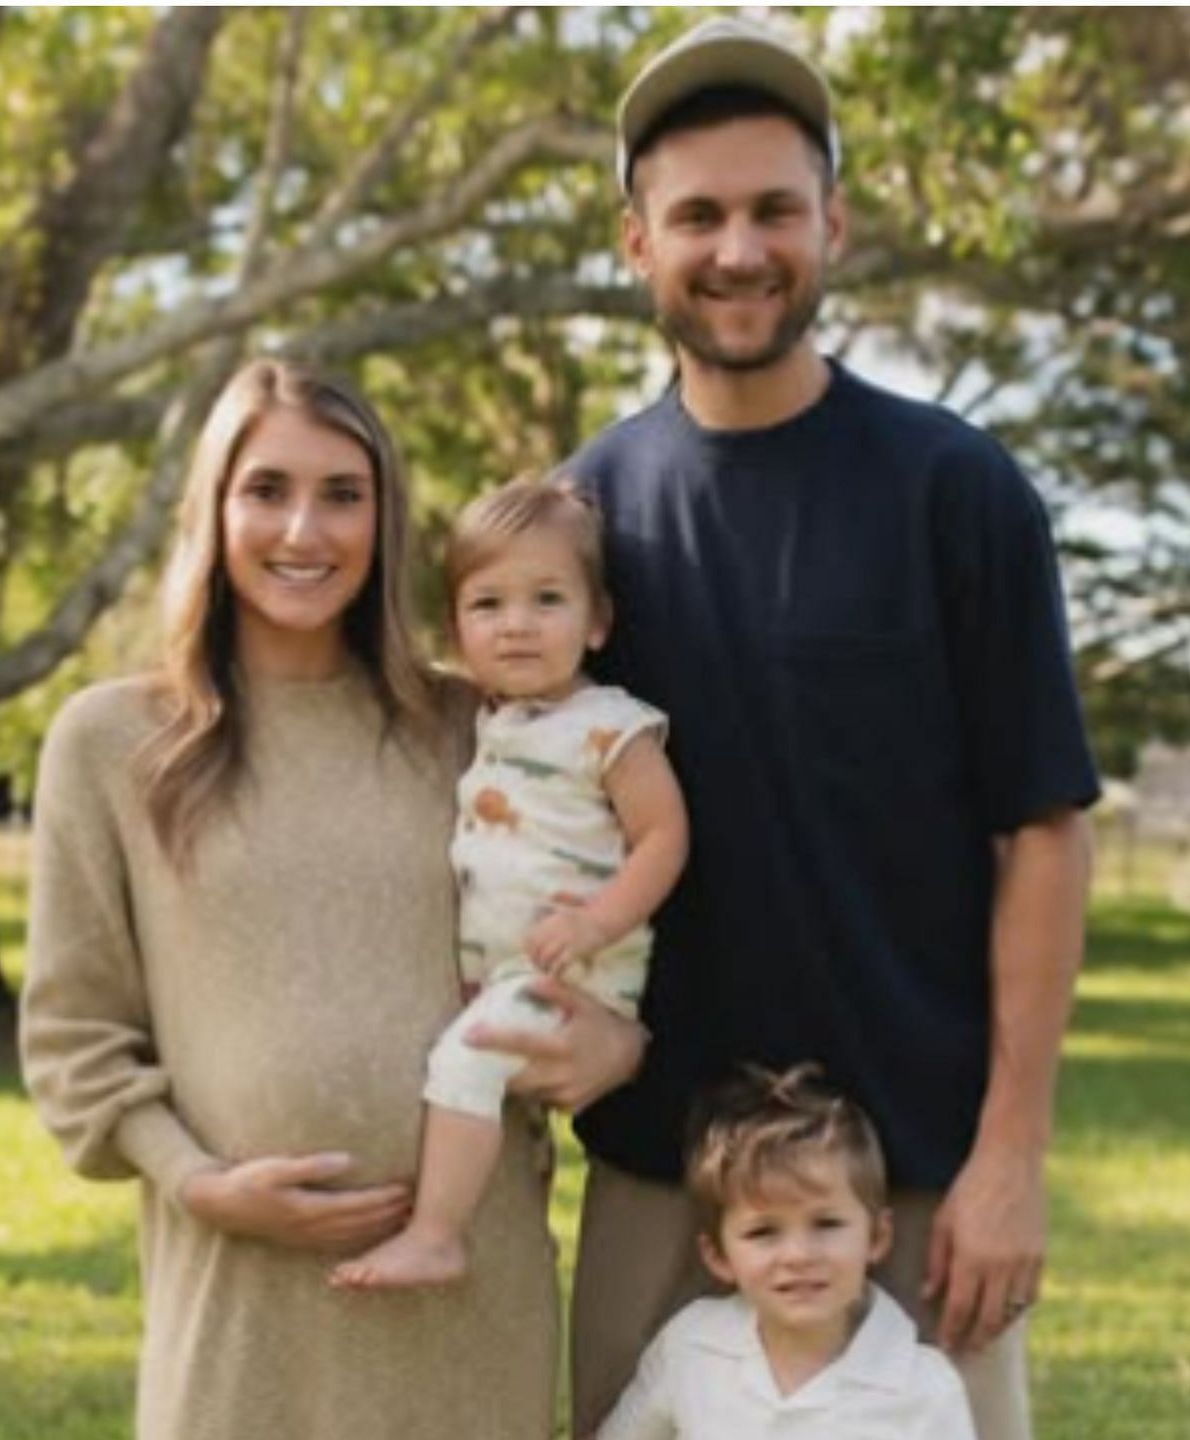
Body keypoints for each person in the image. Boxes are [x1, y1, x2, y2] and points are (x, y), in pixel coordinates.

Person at [501, 17, 1101, 1440]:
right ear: (636, 241)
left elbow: (1044, 831)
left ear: (832, 222)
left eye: (776, 209)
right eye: (697, 214)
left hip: (905, 1188)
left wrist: (1011, 1154)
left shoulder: (958, 493)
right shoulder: (582, 525)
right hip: (661, 1188)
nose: (739, 248)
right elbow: (521, 819)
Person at [18, 360, 557, 1439]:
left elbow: (580, 949)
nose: (304, 529)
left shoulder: (474, 730)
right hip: (239, 1303)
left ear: (385, 520)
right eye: (266, 489)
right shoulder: (115, 742)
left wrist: (598, 1049)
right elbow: (74, 1035)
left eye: (343, 495)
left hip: (470, 1293)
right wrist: (197, 1184)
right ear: (213, 509)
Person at [333, 477, 689, 1291]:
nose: (517, 624)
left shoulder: (612, 724)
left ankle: (436, 1233)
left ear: (597, 621)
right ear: (456, 628)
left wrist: (599, 924)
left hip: (577, 970)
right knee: (469, 1064)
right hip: (508, 969)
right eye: (487, 604)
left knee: (467, 1061)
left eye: (547, 599)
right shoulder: (487, 720)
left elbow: (665, 838)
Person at [593, 1065, 976, 1440]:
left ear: (876, 1236)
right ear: (718, 1257)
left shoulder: (925, 1390)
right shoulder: (690, 1347)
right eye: (763, 1232)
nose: (798, 1255)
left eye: (826, 1225)